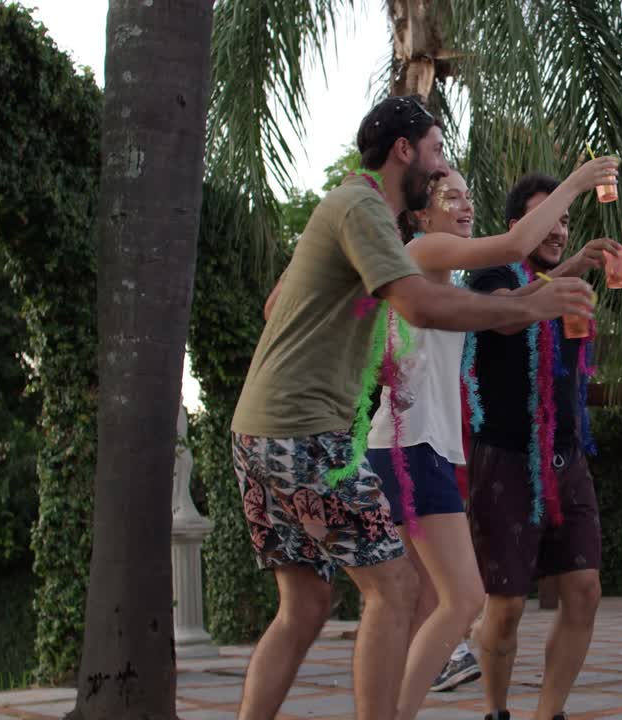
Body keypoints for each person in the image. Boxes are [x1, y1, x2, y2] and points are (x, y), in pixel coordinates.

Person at [228, 95, 596, 720]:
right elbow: (424, 308)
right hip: (308, 432)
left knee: (308, 606)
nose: (443, 163)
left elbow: (275, 305)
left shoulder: (348, 212)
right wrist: (532, 303)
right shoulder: (367, 208)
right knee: (397, 588)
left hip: (260, 431)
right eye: (436, 151)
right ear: (406, 151)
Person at [362, 158, 618, 718]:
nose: (464, 204)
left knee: (424, 602)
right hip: (409, 450)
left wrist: (559, 276)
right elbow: (510, 259)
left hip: (422, 449)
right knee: (455, 602)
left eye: (466, 194)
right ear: (420, 212)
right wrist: (577, 183)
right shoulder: (424, 252)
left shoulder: (437, 282)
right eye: (449, 197)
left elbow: (497, 309)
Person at [464, 173, 622, 720]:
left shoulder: (562, 284)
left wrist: (572, 269)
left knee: (584, 588)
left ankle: (547, 713)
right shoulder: (489, 272)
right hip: (504, 456)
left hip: (567, 455)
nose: (558, 229)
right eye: (548, 218)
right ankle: (496, 711)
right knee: (506, 605)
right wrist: (559, 282)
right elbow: (503, 315)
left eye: (564, 219)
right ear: (517, 227)